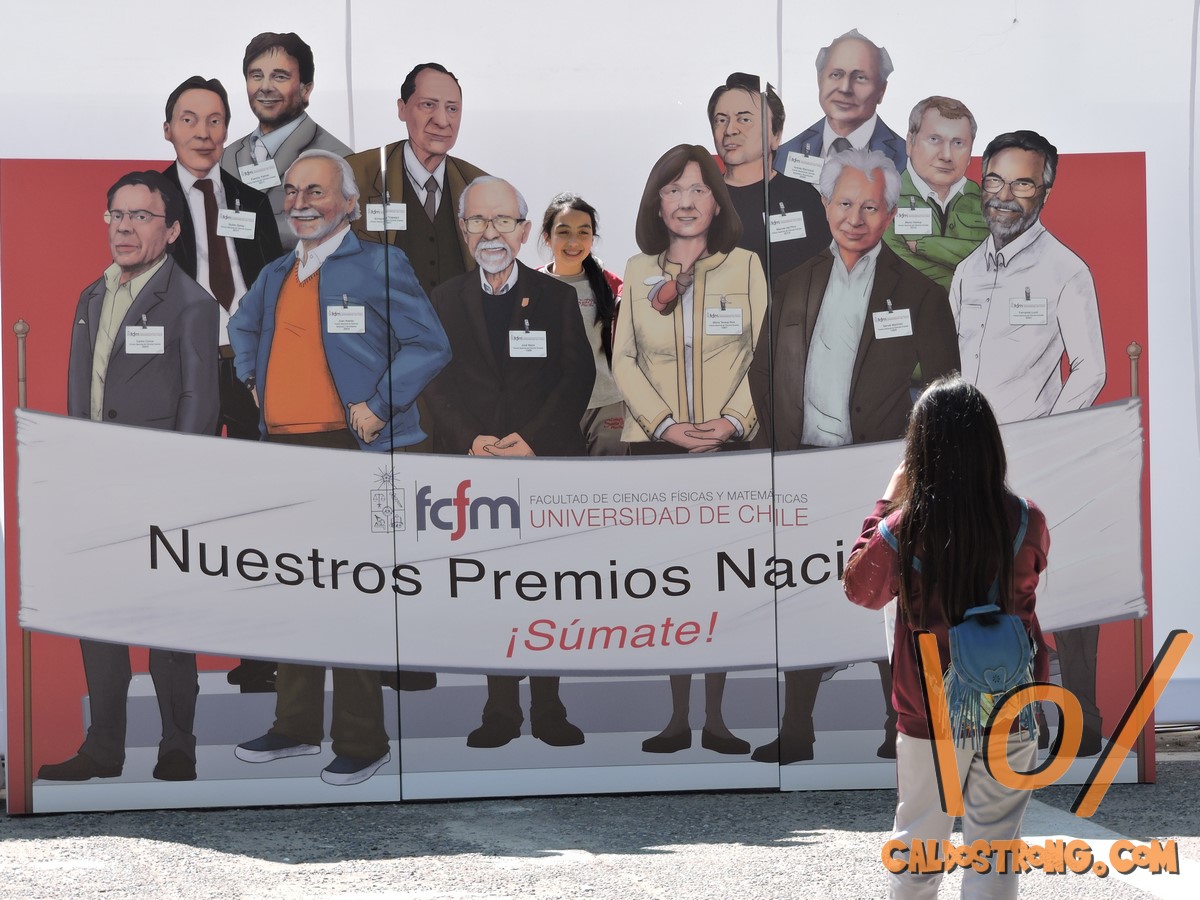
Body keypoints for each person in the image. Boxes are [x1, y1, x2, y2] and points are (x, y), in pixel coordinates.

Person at [227, 150, 449, 785]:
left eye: (316, 191)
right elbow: (243, 329)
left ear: (349, 204)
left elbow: (431, 344)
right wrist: (254, 380)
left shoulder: (380, 264)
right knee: (296, 591)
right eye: (292, 190)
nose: (300, 202)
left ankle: (361, 740)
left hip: (355, 452)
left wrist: (379, 405)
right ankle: (294, 727)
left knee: (353, 596)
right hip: (288, 454)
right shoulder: (276, 273)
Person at [747, 148, 960, 764]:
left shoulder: (919, 292)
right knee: (805, 596)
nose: (856, 217)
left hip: (880, 476)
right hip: (804, 471)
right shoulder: (791, 284)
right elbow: (763, 374)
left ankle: (897, 727)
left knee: (889, 596)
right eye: (845, 203)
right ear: (824, 206)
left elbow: (944, 387)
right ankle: (796, 730)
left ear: (890, 213)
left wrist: (914, 467)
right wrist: (775, 458)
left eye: (871, 206)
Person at [39, 171, 219, 783]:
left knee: (168, 620)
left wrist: (178, 485)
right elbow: (80, 394)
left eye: (141, 216)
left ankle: (178, 745)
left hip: (162, 487)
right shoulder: (91, 297)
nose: (124, 227)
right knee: (99, 619)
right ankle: (103, 749)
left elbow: (200, 400)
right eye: (117, 214)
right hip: (97, 487)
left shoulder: (192, 303)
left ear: (171, 231)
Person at [842, 375, 1050, 899]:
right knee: (995, 855)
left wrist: (885, 503)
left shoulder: (906, 527)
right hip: (1011, 705)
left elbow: (860, 589)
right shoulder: (1027, 520)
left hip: (931, 712)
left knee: (918, 854)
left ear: (921, 450)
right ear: (989, 444)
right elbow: (1025, 586)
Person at [422, 176, 594, 748]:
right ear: (463, 229)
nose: (490, 233)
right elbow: (434, 383)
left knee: (545, 587)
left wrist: (533, 440)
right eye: (477, 221)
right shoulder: (443, 299)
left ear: (522, 232)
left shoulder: (556, 298)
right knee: (490, 590)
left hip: (542, 467)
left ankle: (549, 707)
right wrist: (470, 440)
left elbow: (577, 377)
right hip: (474, 472)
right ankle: (499, 710)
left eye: (502, 221)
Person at [951, 129, 1106, 755]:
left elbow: (1090, 369)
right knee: (990, 599)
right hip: (972, 467)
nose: (1005, 195)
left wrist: (1046, 439)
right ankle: (1015, 719)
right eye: (995, 180)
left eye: (1022, 183)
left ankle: (1081, 720)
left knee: (1054, 593)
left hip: (1037, 463)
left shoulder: (1066, 270)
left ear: (1046, 190)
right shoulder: (966, 272)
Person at [613, 144, 766, 756]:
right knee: (671, 585)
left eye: (698, 189)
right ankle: (676, 718)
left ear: (717, 202)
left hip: (728, 450)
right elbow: (624, 360)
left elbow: (762, 355)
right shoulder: (637, 270)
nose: (685, 201)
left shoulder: (746, 267)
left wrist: (731, 422)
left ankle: (718, 719)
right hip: (657, 452)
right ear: (657, 203)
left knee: (721, 587)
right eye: (673, 189)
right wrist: (665, 426)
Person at [162, 74, 284, 693]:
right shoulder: (149, 198)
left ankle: (259, 655)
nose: (204, 133)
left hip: (246, 368)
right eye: (190, 119)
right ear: (168, 129)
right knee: (188, 513)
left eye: (215, 120)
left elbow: (269, 283)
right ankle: (179, 659)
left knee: (257, 512)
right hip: (184, 372)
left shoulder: (250, 200)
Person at [346, 62, 487, 298]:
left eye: (452, 109)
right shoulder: (355, 174)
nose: (442, 121)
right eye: (428, 105)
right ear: (402, 109)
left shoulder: (480, 184)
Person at [222, 32, 353, 252]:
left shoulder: (340, 158)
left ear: (306, 89)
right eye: (256, 75)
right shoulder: (227, 155)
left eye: (280, 77)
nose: (265, 87)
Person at [708, 72, 830, 278]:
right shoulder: (702, 199)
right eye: (721, 120)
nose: (730, 130)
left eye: (744, 119)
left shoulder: (803, 197)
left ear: (776, 136)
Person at [538, 192, 626, 455]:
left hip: (607, 404)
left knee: (609, 480)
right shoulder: (529, 286)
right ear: (547, 237)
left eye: (583, 233)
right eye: (563, 232)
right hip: (550, 407)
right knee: (559, 480)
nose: (574, 242)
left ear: (592, 238)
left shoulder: (611, 285)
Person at [882, 97, 988, 289]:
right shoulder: (883, 199)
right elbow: (899, 271)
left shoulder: (989, 202)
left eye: (958, 143)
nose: (946, 156)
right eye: (934, 140)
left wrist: (928, 247)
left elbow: (1001, 263)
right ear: (910, 142)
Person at [773, 29, 905, 177]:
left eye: (860, 78)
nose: (845, 88)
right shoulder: (783, 155)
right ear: (819, 80)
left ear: (881, 90)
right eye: (836, 75)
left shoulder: (909, 160)